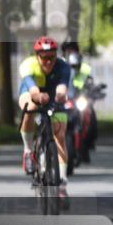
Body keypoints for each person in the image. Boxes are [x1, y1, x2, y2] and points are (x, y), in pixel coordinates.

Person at [17, 36, 74, 190]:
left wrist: (60, 95)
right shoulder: (28, 65)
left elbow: (62, 88)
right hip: (32, 92)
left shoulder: (63, 66)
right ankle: (28, 151)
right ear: (37, 56)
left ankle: (62, 178)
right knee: (30, 108)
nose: (48, 61)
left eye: (52, 57)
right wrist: (39, 97)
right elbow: (33, 90)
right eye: (44, 58)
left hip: (53, 96)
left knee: (60, 136)